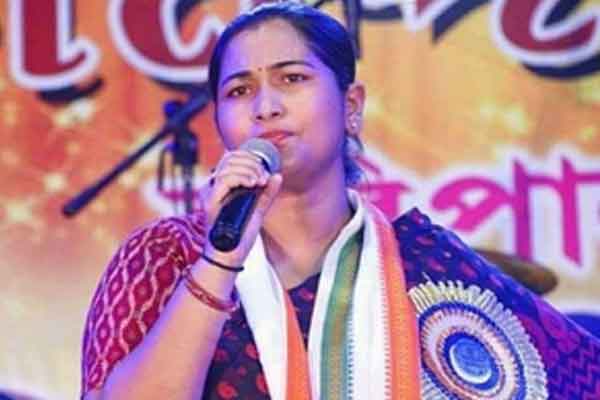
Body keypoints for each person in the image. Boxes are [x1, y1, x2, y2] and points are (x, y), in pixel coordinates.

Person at [80, 2, 600, 399]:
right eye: (239, 91)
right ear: (219, 122)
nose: (266, 106)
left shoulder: (428, 262)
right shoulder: (164, 256)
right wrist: (220, 261)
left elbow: (583, 374)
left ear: (351, 106)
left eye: (292, 79)